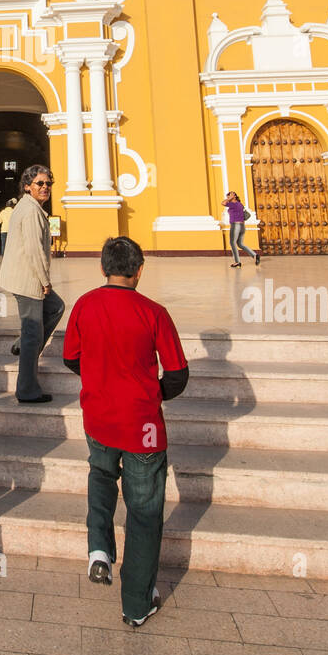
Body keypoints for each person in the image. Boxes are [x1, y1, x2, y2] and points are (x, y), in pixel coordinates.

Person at [63, 236, 188, 628]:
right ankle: (136, 603)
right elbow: (179, 374)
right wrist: (153, 393)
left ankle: (99, 549)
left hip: (98, 415)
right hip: (143, 424)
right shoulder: (154, 312)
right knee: (145, 508)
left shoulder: (84, 304)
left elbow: (70, 358)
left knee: (101, 475)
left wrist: (99, 379)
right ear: (139, 270)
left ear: (103, 268)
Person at [0, 164, 65, 403]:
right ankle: (27, 389)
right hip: (28, 279)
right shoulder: (31, 211)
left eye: (48, 183)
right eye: (40, 183)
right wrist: (45, 281)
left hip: (25, 276)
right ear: (27, 186)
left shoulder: (29, 207)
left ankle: (22, 344)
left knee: (56, 307)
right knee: (32, 334)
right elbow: (35, 250)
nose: (45, 187)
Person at [223, 190, 261, 268]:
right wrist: (230, 198)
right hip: (242, 226)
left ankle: (237, 262)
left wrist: (230, 198)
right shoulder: (240, 204)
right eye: (227, 196)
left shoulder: (233, 204)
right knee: (240, 244)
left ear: (234, 196)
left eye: (229, 196)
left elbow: (223, 203)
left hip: (235, 225)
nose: (228, 198)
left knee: (232, 243)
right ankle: (255, 255)